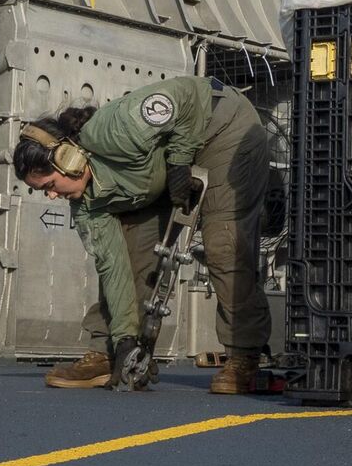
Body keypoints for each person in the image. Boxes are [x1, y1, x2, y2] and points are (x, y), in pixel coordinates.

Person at [18, 75, 273, 394]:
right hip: (160, 169)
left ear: (67, 160)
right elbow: (113, 268)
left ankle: (245, 356)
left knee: (224, 245)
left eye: (50, 186)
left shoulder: (113, 128)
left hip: (222, 131)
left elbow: (186, 96)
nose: (52, 196)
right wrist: (126, 338)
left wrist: (180, 160)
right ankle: (113, 352)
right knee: (130, 251)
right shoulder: (87, 204)